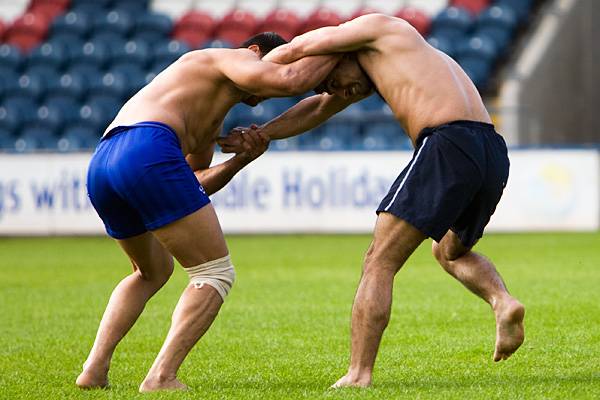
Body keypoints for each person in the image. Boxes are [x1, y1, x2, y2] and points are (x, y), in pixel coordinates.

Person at [218, 14, 525, 388]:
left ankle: (358, 373)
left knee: (378, 261)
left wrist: (242, 76)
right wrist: (261, 134)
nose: (341, 92)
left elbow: (297, 47)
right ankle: (503, 302)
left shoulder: (378, 28)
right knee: (449, 252)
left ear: (341, 54)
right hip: (491, 149)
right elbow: (317, 108)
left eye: (334, 82)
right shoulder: (398, 58)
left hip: (448, 143)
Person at [76, 32, 340, 392]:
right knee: (214, 273)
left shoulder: (206, 108)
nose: (263, 94)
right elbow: (291, 81)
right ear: (255, 52)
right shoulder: (229, 59)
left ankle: (94, 369)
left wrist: (239, 161)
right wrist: (341, 46)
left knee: (151, 271)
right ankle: (160, 377)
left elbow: (193, 182)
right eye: (280, 59)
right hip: (149, 147)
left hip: (105, 160)